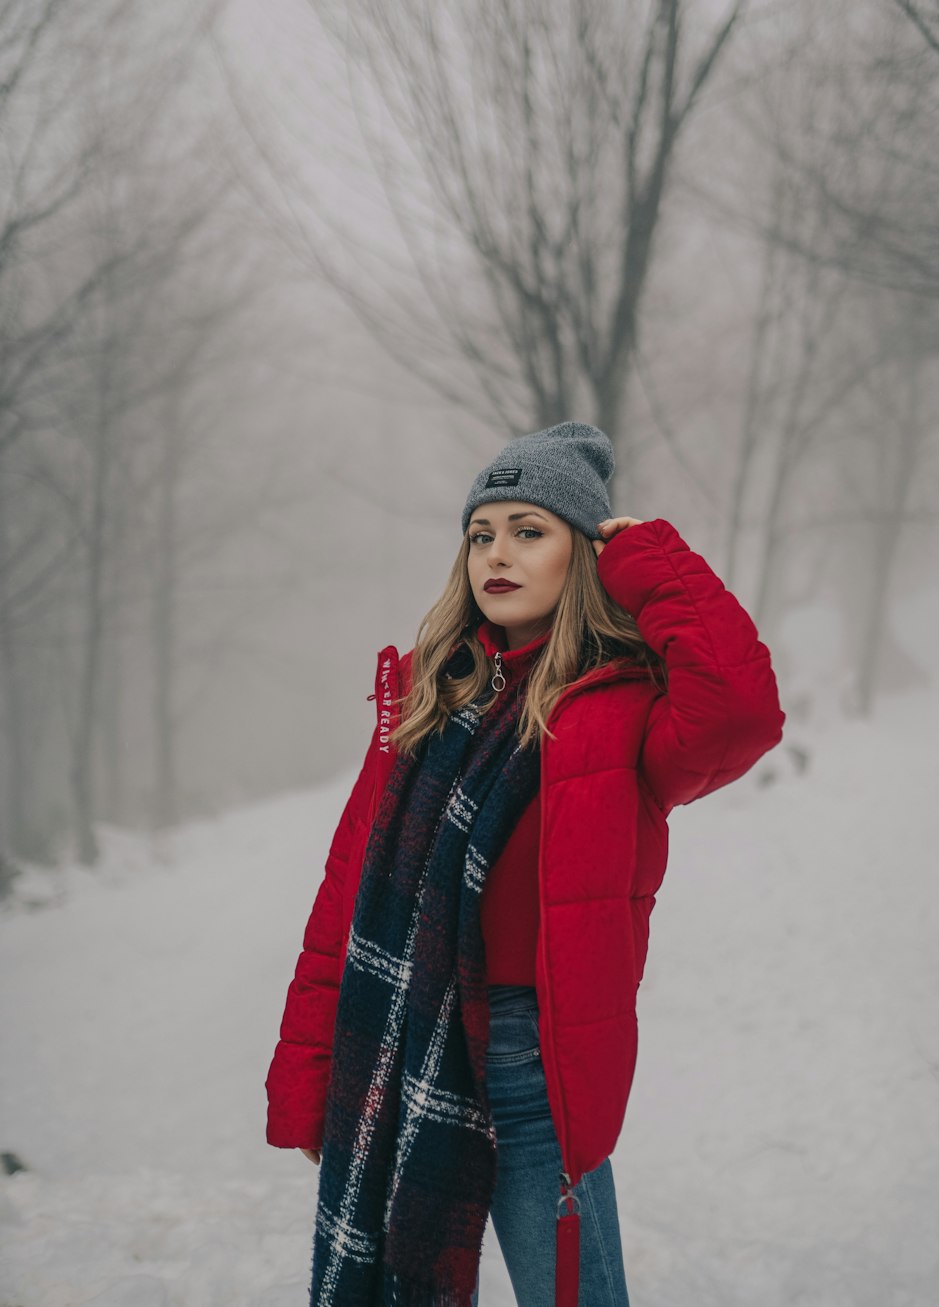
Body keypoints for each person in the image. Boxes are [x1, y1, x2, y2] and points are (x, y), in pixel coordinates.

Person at [265, 420, 785, 1307]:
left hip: (532, 1061)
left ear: (580, 554)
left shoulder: (622, 711)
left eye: (529, 530)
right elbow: (347, 889)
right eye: (481, 533)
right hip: (402, 1047)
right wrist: (310, 1070)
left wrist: (646, 558)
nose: (496, 554)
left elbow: (741, 716)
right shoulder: (432, 696)